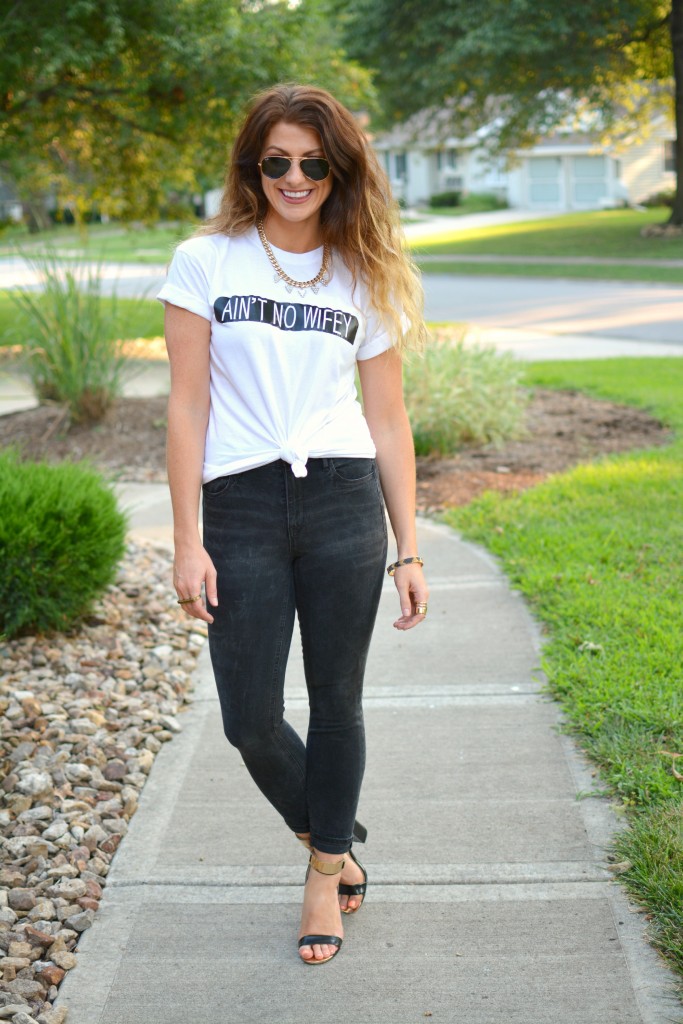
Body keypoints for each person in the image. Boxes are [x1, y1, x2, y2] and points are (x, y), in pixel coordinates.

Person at [157, 83, 429, 965]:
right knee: (248, 719)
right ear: (253, 165)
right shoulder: (206, 261)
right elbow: (187, 405)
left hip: (343, 499)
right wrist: (186, 537)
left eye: (313, 162)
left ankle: (322, 879)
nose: (295, 176)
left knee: (338, 701)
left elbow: (388, 422)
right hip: (238, 503)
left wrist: (410, 551)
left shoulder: (364, 273)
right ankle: (334, 832)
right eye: (277, 160)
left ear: (337, 168)